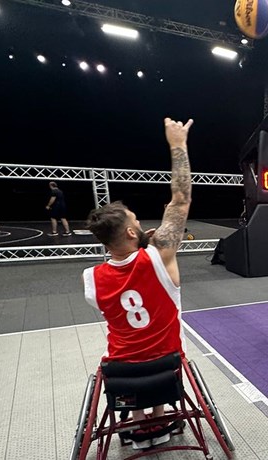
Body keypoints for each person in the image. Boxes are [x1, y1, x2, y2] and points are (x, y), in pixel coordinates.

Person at [82, 117, 194, 449]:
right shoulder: (160, 255)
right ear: (132, 232)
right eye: (136, 220)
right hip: (166, 362)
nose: (140, 221)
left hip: (122, 372)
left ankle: (137, 422)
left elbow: (123, 274)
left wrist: (142, 246)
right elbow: (181, 199)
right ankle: (160, 419)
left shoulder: (91, 278)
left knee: (130, 354)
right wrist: (178, 144)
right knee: (158, 356)